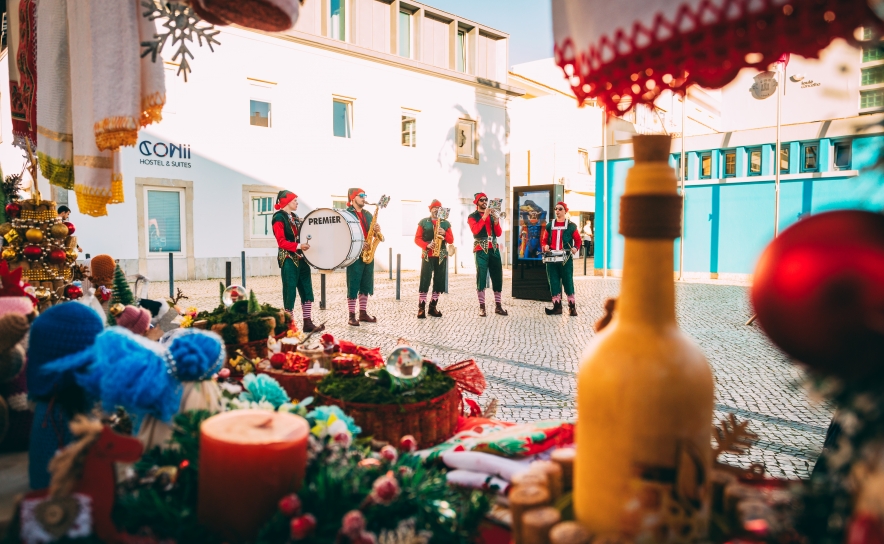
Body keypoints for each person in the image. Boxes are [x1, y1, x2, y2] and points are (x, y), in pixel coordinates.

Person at [271, 190, 321, 333]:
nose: (297, 203)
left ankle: (307, 322)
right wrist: (298, 246)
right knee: (290, 291)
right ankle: (289, 325)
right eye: (294, 201)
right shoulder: (278, 218)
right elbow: (281, 242)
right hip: (288, 258)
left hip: (301, 258)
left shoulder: (295, 216)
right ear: (286, 202)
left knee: (307, 289)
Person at [345, 188, 381, 327]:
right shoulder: (347, 214)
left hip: (368, 252)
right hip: (354, 253)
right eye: (361, 196)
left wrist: (377, 231)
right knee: (353, 283)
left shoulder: (367, 214)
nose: (364, 198)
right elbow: (345, 233)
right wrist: (360, 244)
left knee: (366, 282)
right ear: (353, 198)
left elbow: (372, 233)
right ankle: (351, 316)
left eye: (365, 195)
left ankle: (363, 313)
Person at [468, 193, 508, 317]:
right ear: (476, 202)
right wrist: (484, 216)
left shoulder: (491, 215)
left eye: (486, 200)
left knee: (497, 276)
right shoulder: (472, 216)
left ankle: (498, 306)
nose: (485, 202)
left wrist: (496, 221)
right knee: (481, 276)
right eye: (482, 200)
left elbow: (499, 233)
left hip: (494, 248)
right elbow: (475, 230)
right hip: (480, 249)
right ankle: (482, 307)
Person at [541, 202, 582, 316]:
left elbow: (578, 240)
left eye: (560, 209)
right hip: (552, 258)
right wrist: (545, 246)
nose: (557, 211)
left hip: (566, 258)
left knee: (568, 281)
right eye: (556, 209)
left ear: (565, 211)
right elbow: (544, 240)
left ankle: (572, 307)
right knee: (553, 281)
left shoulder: (571, 226)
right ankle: (557, 307)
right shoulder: (550, 225)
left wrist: (575, 248)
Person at [414, 200, 453, 319]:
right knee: (425, 280)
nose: (436, 210)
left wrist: (445, 233)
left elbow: (451, 240)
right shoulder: (423, 222)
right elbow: (417, 239)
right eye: (434, 208)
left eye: (438, 208)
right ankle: (421, 308)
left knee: (439, 281)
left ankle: (432, 306)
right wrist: (426, 245)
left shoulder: (445, 223)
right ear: (430, 209)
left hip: (441, 256)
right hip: (427, 254)